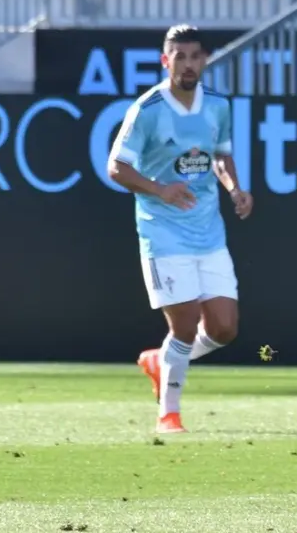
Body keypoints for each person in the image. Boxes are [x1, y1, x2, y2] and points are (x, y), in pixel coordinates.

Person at [106, 24, 254, 434]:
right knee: (184, 326)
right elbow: (116, 167)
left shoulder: (218, 105)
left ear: (205, 60)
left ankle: (162, 360)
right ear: (165, 61)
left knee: (224, 328)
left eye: (195, 56)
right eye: (180, 57)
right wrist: (160, 190)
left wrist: (235, 188)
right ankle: (168, 414)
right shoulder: (149, 109)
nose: (188, 65)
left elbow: (220, 155)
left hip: (209, 231)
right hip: (163, 232)